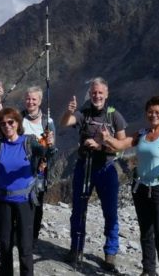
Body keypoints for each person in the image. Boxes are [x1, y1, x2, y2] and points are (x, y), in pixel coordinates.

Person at [102, 96, 159, 276]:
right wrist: (107, 138)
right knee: (146, 232)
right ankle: (148, 271)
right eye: (150, 112)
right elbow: (121, 145)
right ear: (146, 114)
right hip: (141, 188)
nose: (154, 115)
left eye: (158, 112)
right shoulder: (142, 134)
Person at [0, 107, 54, 276]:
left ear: (17, 123)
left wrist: (50, 145)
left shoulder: (29, 142)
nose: (7, 126)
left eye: (10, 122)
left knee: (25, 247)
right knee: (5, 245)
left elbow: (47, 153)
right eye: (2, 123)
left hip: (25, 201)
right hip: (3, 202)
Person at [60, 77, 127, 271]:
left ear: (106, 94)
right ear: (90, 94)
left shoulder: (115, 116)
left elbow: (122, 144)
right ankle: (76, 249)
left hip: (106, 168)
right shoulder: (84, 113)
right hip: (84, 166)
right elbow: (66, 122)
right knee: (78, 210)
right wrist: (69, 111)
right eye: (94, 92)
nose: (97, 96)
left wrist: (102, 143)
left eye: (100, 93)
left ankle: (110, 254)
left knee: (110, 212)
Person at [20, 86, 57, 244]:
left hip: (40, 168)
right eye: (28, 98)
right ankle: (21, 231)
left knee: (37, 202)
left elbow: (52, 149)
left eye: (34, 99)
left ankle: (33, 235)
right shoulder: (18, 118)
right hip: (21, 167)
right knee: (20, 200)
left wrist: (51, 145)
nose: (31, 102)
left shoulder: (47, 122)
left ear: (40, 101)